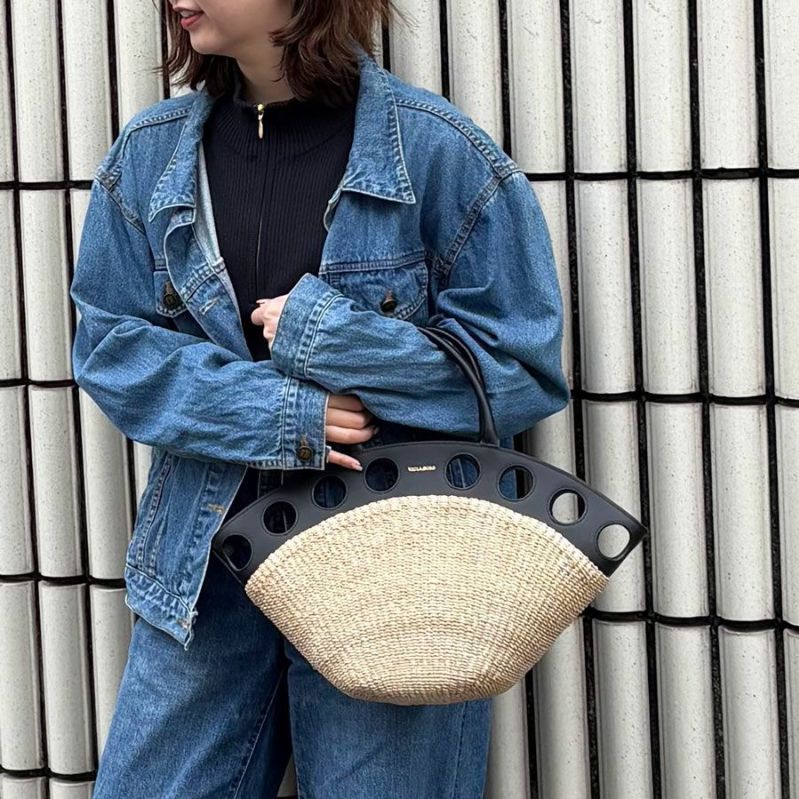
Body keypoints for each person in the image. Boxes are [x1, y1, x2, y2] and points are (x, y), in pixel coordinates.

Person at [70, 0, 569, 796]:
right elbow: (110, 349)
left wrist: (327, 335)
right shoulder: (151, 155)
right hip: (204, 572)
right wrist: (279, 415)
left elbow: (519, 369)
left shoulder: (438, 153)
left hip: (391, 577)